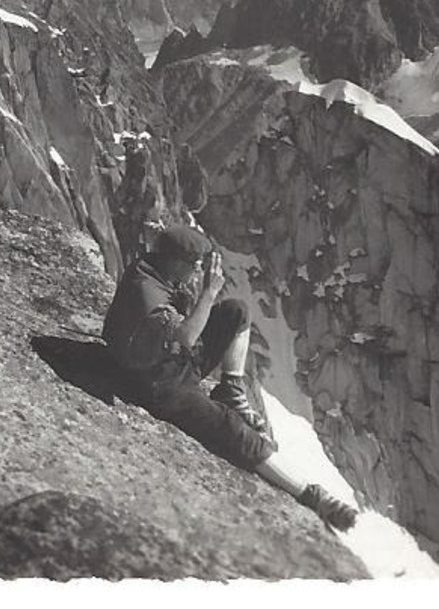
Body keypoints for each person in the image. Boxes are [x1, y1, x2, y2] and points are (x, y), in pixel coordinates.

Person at [103, 224, 360, 531]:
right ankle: (313, 496)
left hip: (169, 361)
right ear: (175, 261)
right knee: (231, 429)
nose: (198, 270)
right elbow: (184, 337)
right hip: (157, 384)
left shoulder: (155, 270)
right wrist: (210, 291)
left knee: (236, 312)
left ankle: (231, 389)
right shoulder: (147, 293)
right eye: (193, 264)